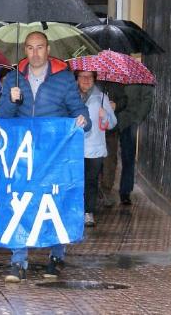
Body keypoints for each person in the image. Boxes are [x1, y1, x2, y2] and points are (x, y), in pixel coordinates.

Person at [0, 31, 90, 282]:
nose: (35, 53)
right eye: (30, 48)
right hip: (23, 153)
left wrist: (84, 120)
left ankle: (56, 254)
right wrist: (11, 100)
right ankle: (18, 259)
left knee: (55, 202)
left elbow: (79, 110)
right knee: (20, 202)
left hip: (54, 153)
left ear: (47, 49)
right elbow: (3, 117)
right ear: (24, 50)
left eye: (40, 47)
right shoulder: (13, 79)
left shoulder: (63, 79)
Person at [74, 70, 117, 228]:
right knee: (76, 180)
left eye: (89, 77)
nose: (85, 80)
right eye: (82, 76)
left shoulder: (102, 98)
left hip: (95, 148)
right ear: (76, 79)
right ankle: (75, 210)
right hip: (75, 148)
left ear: (94, 79)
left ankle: (88, 212)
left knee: (91, 181)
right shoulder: (71, 97)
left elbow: (112, 123)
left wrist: (105, 116)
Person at [114, 82, 155, 205]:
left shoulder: (140, 78)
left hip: (129, 121)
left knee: (128, 158)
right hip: (109, 118)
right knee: (106, 156)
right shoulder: (113, 72)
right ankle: (105, 188)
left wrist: (137, 119)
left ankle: (125, 191)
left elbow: (147, 99)